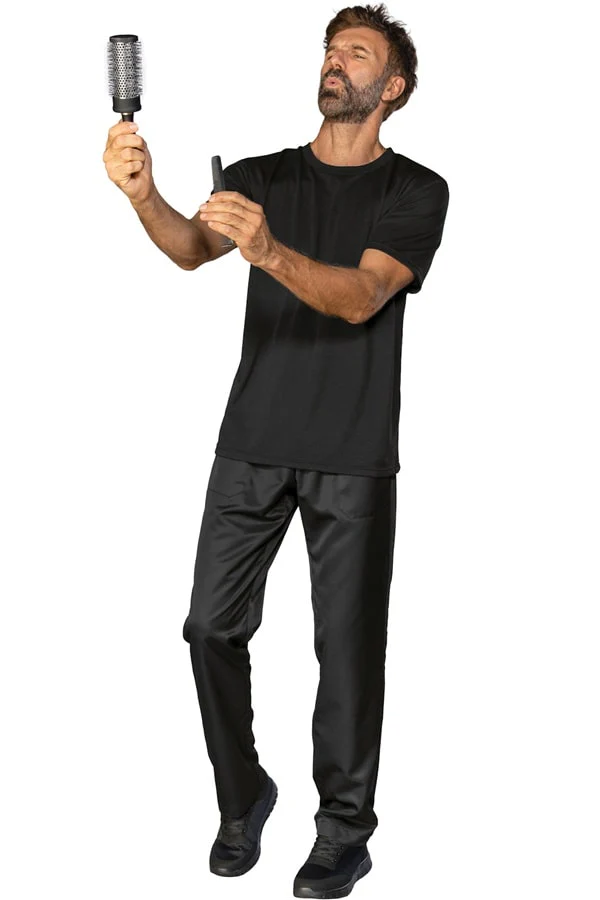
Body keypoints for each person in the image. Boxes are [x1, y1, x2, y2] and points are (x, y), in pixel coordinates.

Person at [103, 4, 449, 897]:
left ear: (392, 87)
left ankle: (343, 832)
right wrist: (143, 195)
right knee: (208, 628)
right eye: (331, 49)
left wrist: (269, 250)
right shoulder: (262, 176)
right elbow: (190, 248)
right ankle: (243, 794)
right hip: (251, 442)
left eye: (357, 53)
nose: (336, 61)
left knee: (348, 653)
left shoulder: (417, 191)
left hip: (353, 454)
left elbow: (363, 296)